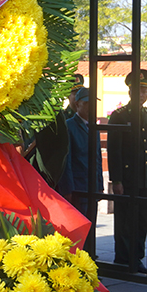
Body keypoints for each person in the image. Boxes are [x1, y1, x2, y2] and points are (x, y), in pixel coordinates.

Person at [108, 69, 147, 273]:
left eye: (145, 91)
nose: (142, 94)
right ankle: (123, 258)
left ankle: (137, 257)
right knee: (125, 220)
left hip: (145, 178)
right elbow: (114, 150)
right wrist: (117, 180)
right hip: (127, 178)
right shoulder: (119, 116)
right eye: (138, 90)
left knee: (143, 221)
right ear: (130, 92)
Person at [63, 87, 103, 216]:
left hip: (91, 187)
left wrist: (100, 185)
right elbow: (66, 162)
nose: (91, 107)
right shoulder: (69, 126)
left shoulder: (94, 127)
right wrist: (68, 190)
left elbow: (98, 158)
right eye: (86, 103)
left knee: (91, 226)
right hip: (77, 187)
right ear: (77, 104)